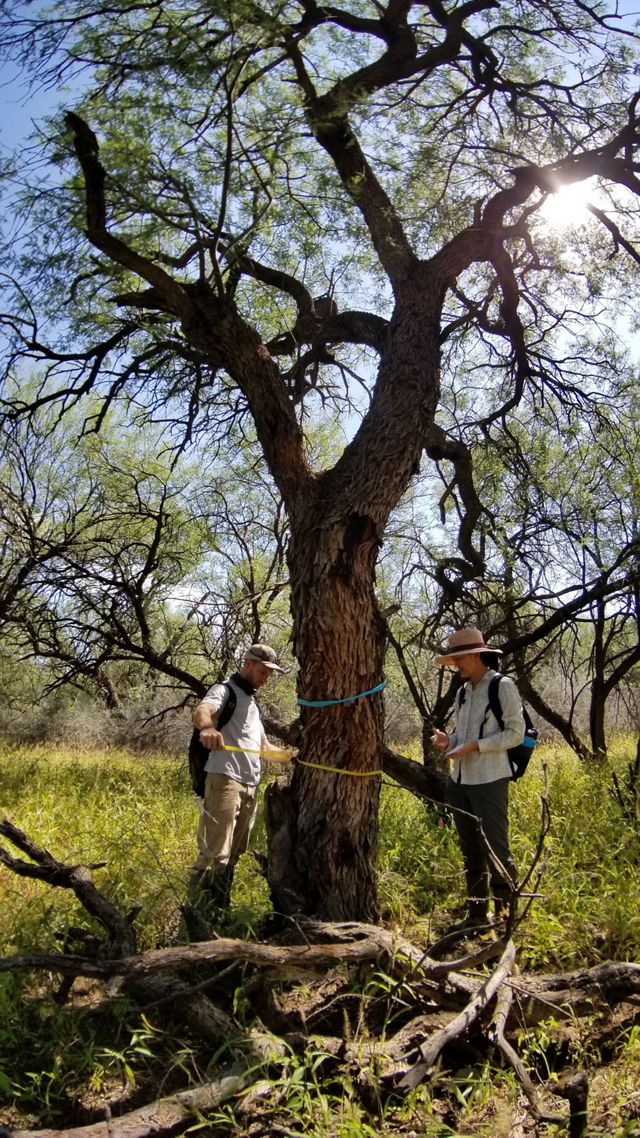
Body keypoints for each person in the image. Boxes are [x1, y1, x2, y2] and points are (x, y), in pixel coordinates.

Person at [189, 643, 295, 916]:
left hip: (250, 785)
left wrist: (295, 756)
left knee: (234, 853)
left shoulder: (252, 704)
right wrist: (208, 728)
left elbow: (265, 751)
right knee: (215, 852)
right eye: (262, 671)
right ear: (247, 664)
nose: (265, 678)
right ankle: (195, 914)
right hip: (225, 780)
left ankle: (219, 911)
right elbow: (202, 710)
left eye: (269, 673)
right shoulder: (224, 690)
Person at [432, 627, 525, 931]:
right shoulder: (462, 692)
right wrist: (450, 740)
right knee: (470, 848)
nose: (455, 664)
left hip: (490, 779)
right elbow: (465, 734)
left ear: (476, 655)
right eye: (453, 659)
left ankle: (504, 919)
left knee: (495, 848)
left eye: (459, 658)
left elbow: (515, 734)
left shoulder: (502, 687)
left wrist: (476, 747)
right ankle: (475, 916)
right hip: (460, 780)